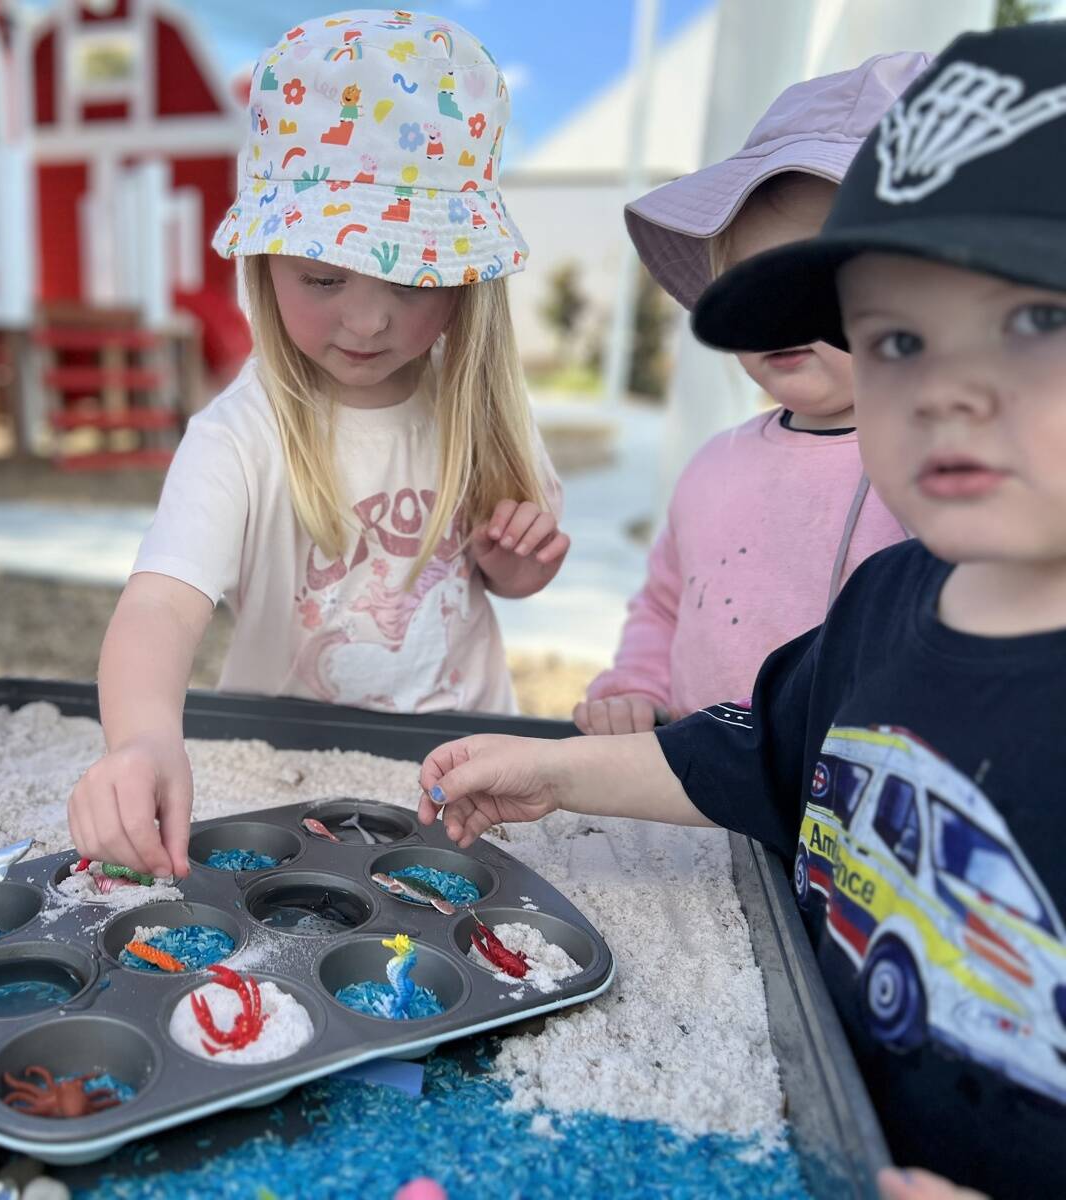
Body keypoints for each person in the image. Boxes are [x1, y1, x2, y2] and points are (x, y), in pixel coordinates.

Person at [418, 23, 1066, 1199]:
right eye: (896, 336)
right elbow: (754, 753)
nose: (944, 389)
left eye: (1034, 321)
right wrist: (556, 770)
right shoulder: (883, 605)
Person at [69, 10, 567, 878]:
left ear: (468, 283)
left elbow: (511, 579)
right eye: (325, 277)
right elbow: (161, 606)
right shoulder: (240, 434)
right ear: (265, 264)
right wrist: (142, 739)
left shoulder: (483, 409)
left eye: (412, 281)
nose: (368, 321)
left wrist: (514, 564)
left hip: (464, 767)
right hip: (288, 767)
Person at [575, 54, 929, 736]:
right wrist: (635, 688)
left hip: (851, 786)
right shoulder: (715, 466)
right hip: (694, 776)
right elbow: (665, 604)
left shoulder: (942, 469)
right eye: (752, 282)